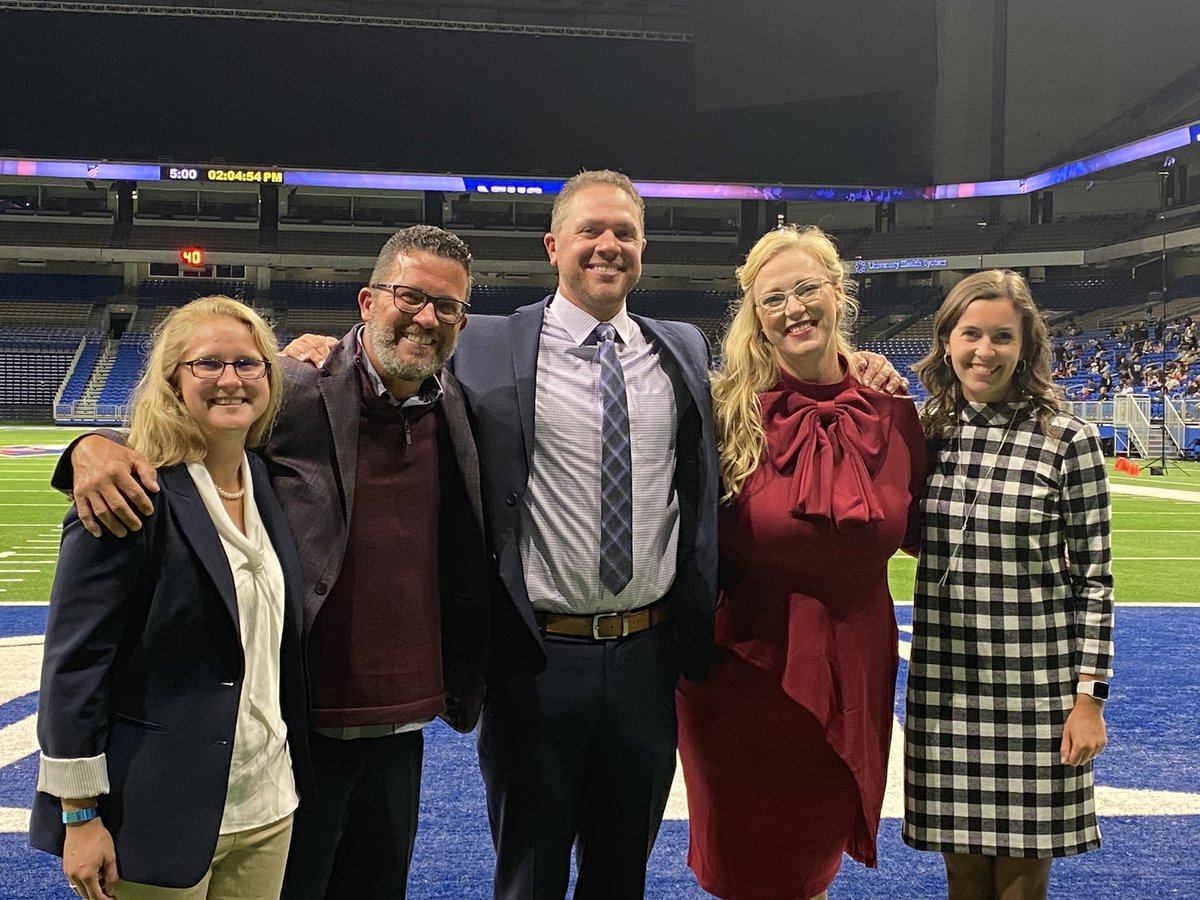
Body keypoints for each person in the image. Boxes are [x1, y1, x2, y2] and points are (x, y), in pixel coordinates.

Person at [278, 172, 905, 899]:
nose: (608, 246)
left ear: (643, 249)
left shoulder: (681, 351)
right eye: (590, 232)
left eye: (625, 233)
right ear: (554, 246)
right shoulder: (480, 344)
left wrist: (860, 368)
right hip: (536, 660)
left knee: (620, 876)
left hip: (650, 659)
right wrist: (320, 353)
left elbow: (782, 390)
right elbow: (394, 352)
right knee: (529, 877)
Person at [53, 226, 500, 900]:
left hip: (403, 725)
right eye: (410, 297)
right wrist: (91, 446)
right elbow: (188, 420)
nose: (427, 318)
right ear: (368, 300)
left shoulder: (456, 404)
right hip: (304, 724)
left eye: (448, 307)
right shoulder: (296, 384)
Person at [673, 225, 927, 900]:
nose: (794, 308)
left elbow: (930, 531)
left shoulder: (895, 411)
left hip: (851, 677)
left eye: (807, 288)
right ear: (756, 317)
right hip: (739, 687)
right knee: (748, 873)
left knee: (810, 870)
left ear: (839, 294)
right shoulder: (724, 413)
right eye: (774, 298)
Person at [31, 296, 311, 900]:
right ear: (171, 382)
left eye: (248, 363)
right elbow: (76, 665)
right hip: (156, 812)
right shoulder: (128, 492)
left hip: (267, 805)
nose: (231, 379)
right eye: (207, 364)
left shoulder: (265, 481)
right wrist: (78, 815)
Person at [905, 269, 1114, 900]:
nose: (984, 351)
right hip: (945, 688)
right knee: (963, 878)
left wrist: (1090, 701)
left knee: (1022, 881)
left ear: (1025, 347)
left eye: (1002, 336)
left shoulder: (1068, 441)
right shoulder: (925, 432)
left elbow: (1096, 583)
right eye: (971, 334)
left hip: (1035, 694)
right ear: (946, 340)